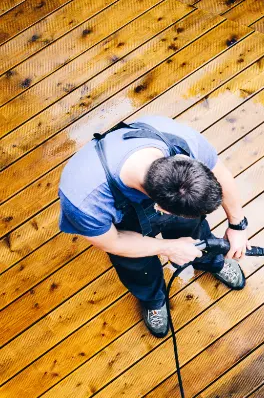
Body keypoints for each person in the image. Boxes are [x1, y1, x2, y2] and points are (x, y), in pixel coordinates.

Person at [58, 115, 250, 338]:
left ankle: (210, 261)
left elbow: (221, 174)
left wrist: (238, 225)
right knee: (136, 265)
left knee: (195, 231)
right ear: (161, 208)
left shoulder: (180, 141)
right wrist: (168, 248)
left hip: (164, 203)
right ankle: (153, 298)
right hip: (121, 229)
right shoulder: (84, 200)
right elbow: (113, 242)